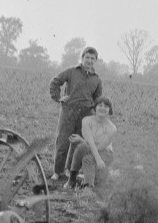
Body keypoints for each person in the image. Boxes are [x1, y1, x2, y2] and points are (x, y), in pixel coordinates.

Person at [49, 47, 102, 180]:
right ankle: (57, 171)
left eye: (92, 58)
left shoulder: (97, 79)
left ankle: (69, 170)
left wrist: (95, 115)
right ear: (82, 58)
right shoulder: (72, 71)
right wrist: (59, 97)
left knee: (77, 143)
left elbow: (97, 99)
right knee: (62, 141)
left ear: (95, 61)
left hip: (85, 114)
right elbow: (55, 82)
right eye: (87, 57)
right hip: (69, 111)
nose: (89, 61)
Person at [64, 96, 116, 190]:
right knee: (83, 151)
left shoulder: (112, 128)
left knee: (86, 155)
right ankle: (74, 181)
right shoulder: (86, 120)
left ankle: (87, 188)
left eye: (106, 106)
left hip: (105, 153)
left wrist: (99, 160)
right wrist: (83, 142)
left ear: (110, 110)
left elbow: (100, 147)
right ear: (95, 108)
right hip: (91, 149)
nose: (102, 108)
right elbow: (90, 141)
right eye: (100, 105)